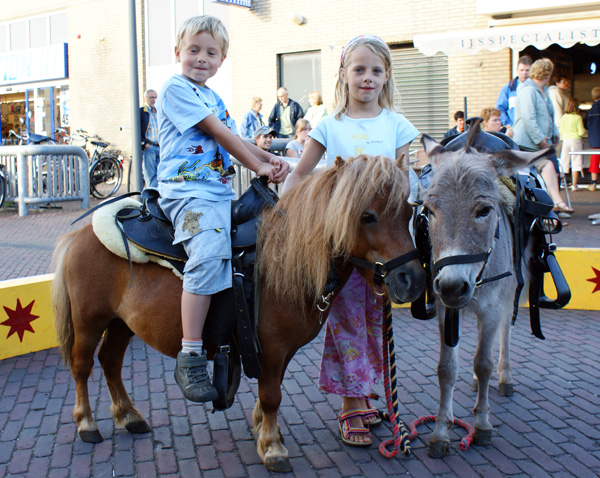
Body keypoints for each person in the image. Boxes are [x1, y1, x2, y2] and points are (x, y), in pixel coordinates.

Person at [283, 34, 419, 447]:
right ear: (343, 74)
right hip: (343, 249)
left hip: (384, 247)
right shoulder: (329, 125)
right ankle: (350, 404)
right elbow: (302, 173)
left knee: (376, 324)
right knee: (345, 325)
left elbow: (405, 180)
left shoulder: (397, 124)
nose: (367, 78)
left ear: (386, 76)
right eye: (358, 69)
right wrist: (283, 209)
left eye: (376, 70)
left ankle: (366, 394)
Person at [156, 15, 288, 403]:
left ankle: (237, 334)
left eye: (210, 52)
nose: (201, 58)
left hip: (216, 193)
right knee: (210, 251)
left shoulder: (212, 97)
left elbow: (236, 135)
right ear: (178, 52)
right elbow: (218, 133)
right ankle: (191, 353)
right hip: (188, 193)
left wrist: (271, 157)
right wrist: (259, 166)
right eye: (193, 50)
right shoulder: (175, 89)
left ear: (222, 58)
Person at [513, 58, 573, 216]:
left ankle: (555, 207)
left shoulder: (544, 91)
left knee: (552, 169)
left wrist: (555, 134)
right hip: (528, 144)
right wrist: (540, 140)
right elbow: (528, 118)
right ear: (547, 74)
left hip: (543, 143)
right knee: (546, 167)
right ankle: (552, 207)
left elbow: (548, 116)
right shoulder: (528, 90)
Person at [496, 55, 532, 128]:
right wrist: (508, 125)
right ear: (517, 70)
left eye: (527, 70)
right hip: (514, 130)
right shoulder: (508, 88)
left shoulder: (534, 89)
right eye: (522, 70)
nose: (524, 73)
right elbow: (500, 108)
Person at [559, 97, 586, 191]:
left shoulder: (564, 117)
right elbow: (581, 132)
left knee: (563, 162)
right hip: (575, 140)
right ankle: (574, 185)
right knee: (576, 161)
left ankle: (561, 182)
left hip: (565, 140)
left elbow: (561, 130)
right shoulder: (578, 117)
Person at [140, 89, 160, 188]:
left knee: (160, 174)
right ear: (145, 98)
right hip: (149, 147)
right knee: (150, 176)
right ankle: (150, 200)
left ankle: (158, 198)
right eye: (151, 97)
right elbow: (136, 130)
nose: (154, 100)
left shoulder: (158, 112)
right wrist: (143, 143)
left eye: (155, 97)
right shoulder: (141, 111)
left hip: (160, 147)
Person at [584, 87, 600, 191]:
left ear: (593, 97)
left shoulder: (589, 111)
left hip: (594, 139)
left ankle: (593, 184)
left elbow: (586, 125)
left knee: (594, 161)